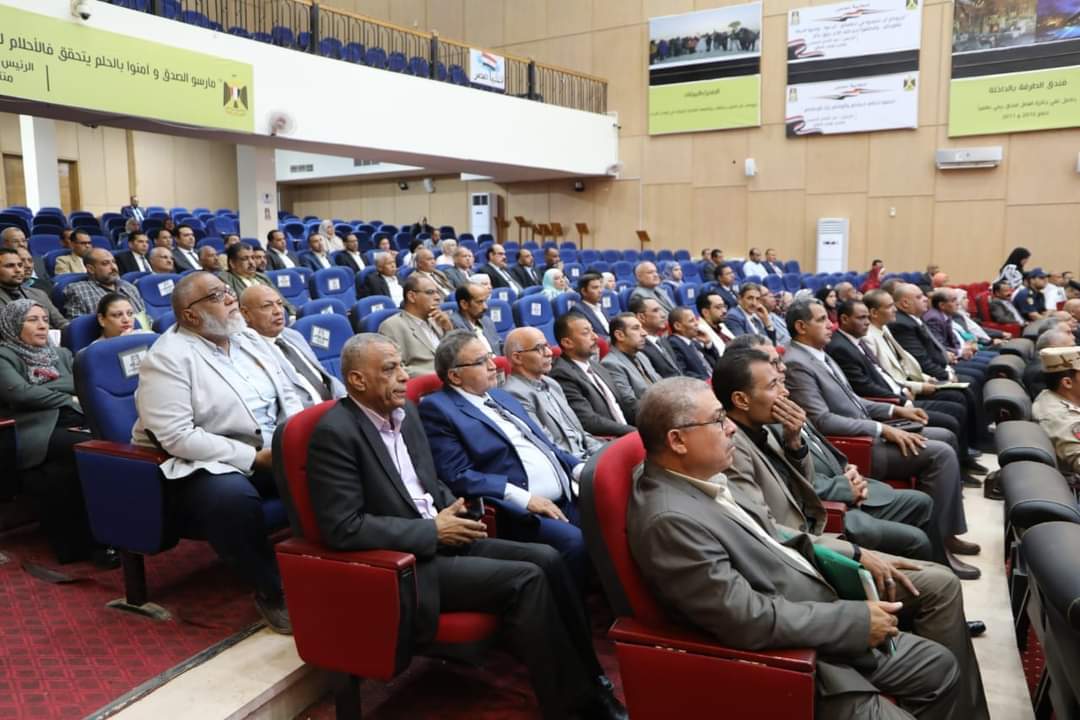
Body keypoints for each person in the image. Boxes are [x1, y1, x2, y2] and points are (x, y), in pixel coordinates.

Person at [305, 332, 624, 720]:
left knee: (549, 560)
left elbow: (430, 482)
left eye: (402, 366)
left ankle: (591, 680)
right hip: (407, 564)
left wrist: (453, 509)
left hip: (443, 535)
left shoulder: (406, 415)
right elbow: (343, 527)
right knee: (527, 579)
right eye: (390, 369)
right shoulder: (335, 433)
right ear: (357, 380)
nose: (404, 376)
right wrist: (432, 531)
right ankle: (572, 708)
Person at [627, 377, 973, 720]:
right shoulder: (669, 520)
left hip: (815, 606)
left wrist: (852, 555)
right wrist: (854, 620)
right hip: (800, 658)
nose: (731, 428)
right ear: (677, 440)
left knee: (941, 666)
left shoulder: (701, 475)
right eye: (718, 420)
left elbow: (772, 533)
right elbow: (745, 619)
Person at [131, 272, 302, 633]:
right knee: (231, 499)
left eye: (227, 291)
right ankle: (271, 590)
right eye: (215, 295)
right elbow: (177, 436)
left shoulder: (248, 338)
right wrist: (252, 457)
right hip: (204, 461)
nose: (229, 298)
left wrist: (294, 435)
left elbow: (287, 391)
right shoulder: (167, 358)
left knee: (333, 462)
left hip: (272, 444)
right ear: (190, 315)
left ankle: (336, 563)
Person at [782, 299, 980, 579]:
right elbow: (823, 421)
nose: (830, 325)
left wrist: (893, 410)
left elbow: (853, 400)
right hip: (853, 445)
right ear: (801, 327)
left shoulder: (819, 354)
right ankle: (942, 547)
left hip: (865, 430)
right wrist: (882, 429)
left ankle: (945, 534)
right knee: (940, 453)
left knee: (945, 435)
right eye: (822, 320)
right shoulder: (796, 363)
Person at [725, 338, 937, 561]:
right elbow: (789, 488)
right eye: (772, 363)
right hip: (826, 512)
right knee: (919, 540)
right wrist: (845, 488)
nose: (782, 367)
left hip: (840, 484)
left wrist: (847, 467)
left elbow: (819, 445)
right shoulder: (764, 420)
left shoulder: (780, 400)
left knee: (922, 503)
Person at [419, 331, 589, 585]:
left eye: (490, 356)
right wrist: (525, 499)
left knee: (616, 521)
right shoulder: (438, 409)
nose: (493, 365)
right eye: (481, 362)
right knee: (576, 543)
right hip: (518, 512)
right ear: (455, 376)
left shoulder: (500, 396)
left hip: (568, 495)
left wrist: (583, 470)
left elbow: (547, 446)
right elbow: (458, 475)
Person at [0, 300, 112, 566]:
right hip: (33, 429)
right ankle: (94, 542)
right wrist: (66, 397)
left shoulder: (60, 353)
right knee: (90, 448)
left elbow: (79, 382)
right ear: (13, 324)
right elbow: (21, 394)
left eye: (44, 319)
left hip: (73, 418)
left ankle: (92, 541)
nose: (42, 325)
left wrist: (50, 387)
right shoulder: (4, 356)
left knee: (60, 472)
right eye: (32, 320)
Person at [827, 299, 984, 474]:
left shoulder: (856, 340)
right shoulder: (841, 347)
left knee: (959, 397)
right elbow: (864, 387)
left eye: (867, 317)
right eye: (861, 318)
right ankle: (960, 467)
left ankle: (964, 459)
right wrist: (901, 401)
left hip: (899, 392)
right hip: (888, 402)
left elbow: (885, 372)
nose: (867, 322)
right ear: (844, 319)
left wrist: (909, 387)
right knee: (951, 416)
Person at [502, 326, 605, 460]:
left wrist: (604, 451)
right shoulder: (514, 394)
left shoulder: (551, 383)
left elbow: (578, 432)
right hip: (570, 463)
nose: (549, 353)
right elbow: (546, 445)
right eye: (539, 348)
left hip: (587, 455)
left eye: (547, 346)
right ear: (517, 358)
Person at [548, 313, 634, 437]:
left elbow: (623, 404)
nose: (595, 337)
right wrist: (634, 433)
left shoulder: (596, 366)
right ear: (567, 342)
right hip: (607, 440)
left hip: (627, 432)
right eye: (586, 333)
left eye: (593, 330)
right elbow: (589, 421)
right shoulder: (562, 374)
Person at [891, 283, 987, 386]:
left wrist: (945, 355)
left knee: (979, 372)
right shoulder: (903, 324)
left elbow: (934, 347)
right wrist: (947, 375)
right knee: (974, 378)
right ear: (905, 303)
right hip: (928, 376)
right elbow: (920, 360)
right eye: (919, 297)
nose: (925, 299)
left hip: (944, 364)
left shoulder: (916, 318)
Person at [377, 274, 451, 377]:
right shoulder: (392, 326)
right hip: (426, 382)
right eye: (430, 292)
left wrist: (448, 330)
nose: (438, 297)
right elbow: (396, 368)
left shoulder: (438, 320)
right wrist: (437, 376)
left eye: (437, 292)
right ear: (412, 296)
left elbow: (455, 355)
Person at [62, 249, 149, 327]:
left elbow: (146, 318)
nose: (113, 267)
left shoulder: (129, 287)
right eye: (105, 263)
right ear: (91, 269)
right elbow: (77, 329)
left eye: (114, 262)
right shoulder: (79, 290)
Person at [601, 312, 661, 419]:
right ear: (620, 335)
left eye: (642, 328)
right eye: (636, 328)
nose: (644, 333)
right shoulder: (610, 364)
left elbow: (660, 384)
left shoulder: (641, 356)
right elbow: (630, 406)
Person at [220, 243, 297, 318]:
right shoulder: (225, 279)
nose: (251, 262)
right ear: (232, 263)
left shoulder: (262, 277)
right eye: (245, 259)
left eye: (252, 258)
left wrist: (293, 314)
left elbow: (281, 298)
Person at [0, 248, 68, 329]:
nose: (18, 270)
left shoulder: (39, 294)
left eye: (20, 265)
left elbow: (62, 323)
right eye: (9, 266)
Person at [665, 306, 719, 380]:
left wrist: (708, 343)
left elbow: (717, 363)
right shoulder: (673, 343)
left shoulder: (694, 342)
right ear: (678, 326)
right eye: (691, 321)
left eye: (696, 319)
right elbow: (684, 373)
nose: (697, 323)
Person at [450, 282, 502, 355]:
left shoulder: (486, 320)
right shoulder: (454, 325)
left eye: (485, 301)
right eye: (479, 302)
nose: (485, 307)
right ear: (464, 304)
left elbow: (499, 345)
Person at [1024, 327, 1075, 399]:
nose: (1075, 351)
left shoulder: (1045, 363)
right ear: (1053, 349)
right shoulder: (1044, 372)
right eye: (1071, 347)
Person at [571, 272, 610, 339]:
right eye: (595, 288)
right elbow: (587, 334)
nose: (600, 291)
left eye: (600, 287)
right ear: (584, 291)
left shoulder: (601, 307)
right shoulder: (577, 310)